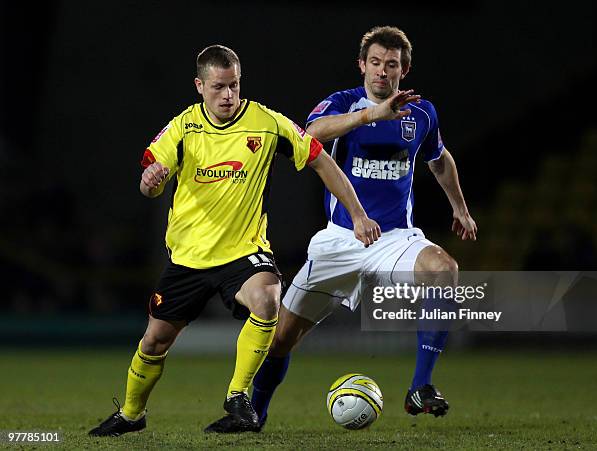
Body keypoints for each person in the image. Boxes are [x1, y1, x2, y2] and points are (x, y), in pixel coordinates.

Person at [88, 44, 380, 436]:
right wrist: (150, 183)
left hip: (244, 252)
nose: (228, 95)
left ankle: (238, 398)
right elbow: (151, 182)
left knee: (268, 297)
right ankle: (131, 413)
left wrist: (358, 214)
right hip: (189, 257)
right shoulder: (182, 128)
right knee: (155, 341)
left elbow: (321, 160)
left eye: (234, 86)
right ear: (199, 85)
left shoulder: (267, 123)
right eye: (218, 87)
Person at [249, 26, 477, 431]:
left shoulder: (422, 112)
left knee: (445, 270)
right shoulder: (341, 104)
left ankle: (420, 387)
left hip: (394, 239)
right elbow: (308, 137)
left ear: (404, 70)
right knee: (281, 338)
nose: (382, 72)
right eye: (375, 63)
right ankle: (255, 415)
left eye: (391, 65)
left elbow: (439, 159)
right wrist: (370, 115)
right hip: (339, 239)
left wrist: (459, 207)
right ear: (361, 65)